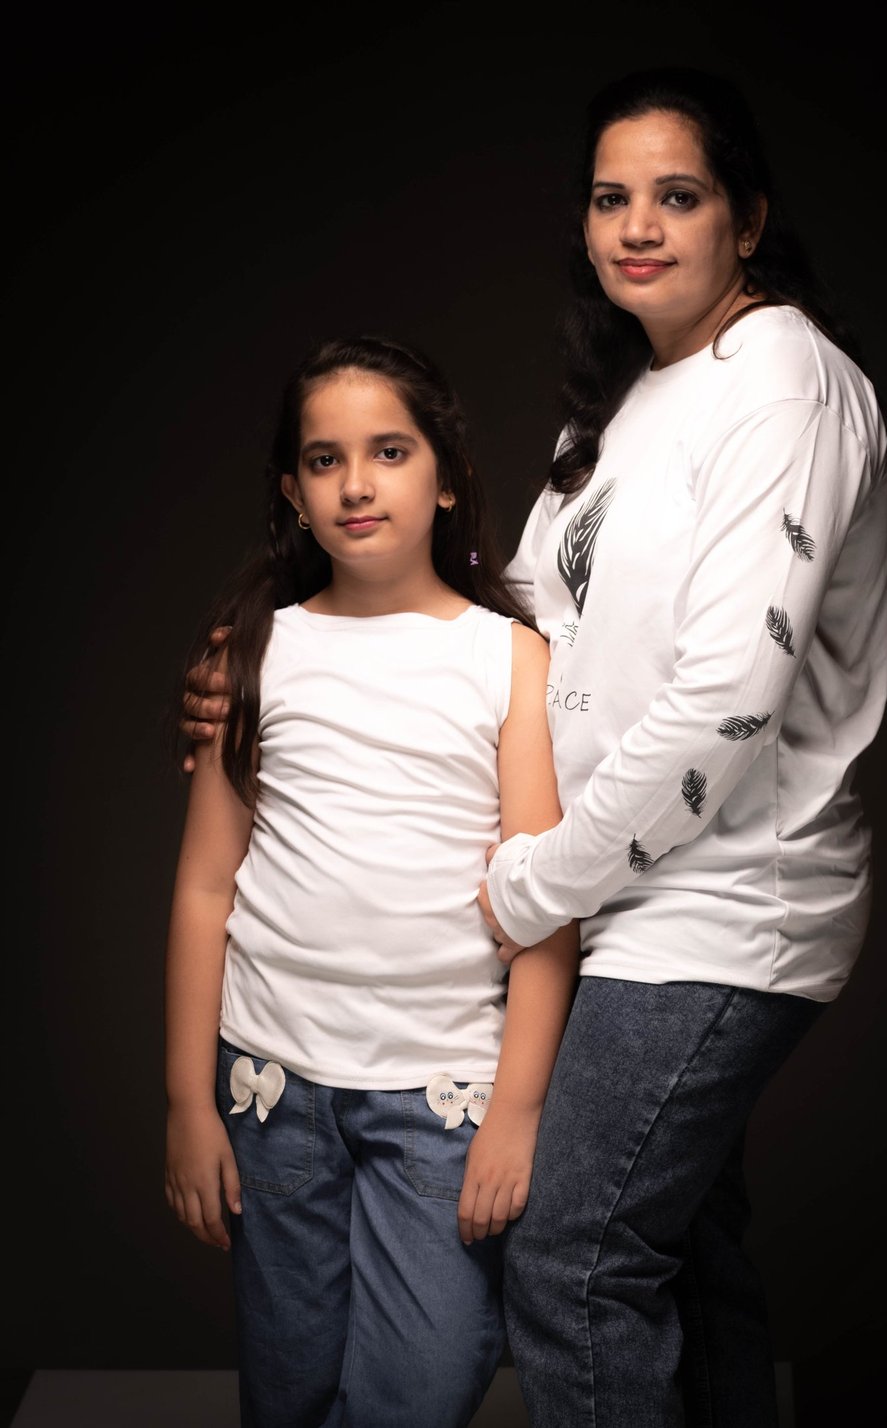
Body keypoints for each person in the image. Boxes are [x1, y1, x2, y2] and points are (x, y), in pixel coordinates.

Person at [181, 67, 887, 1428]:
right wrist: (258, 654)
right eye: (610, 197)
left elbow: (729, 697)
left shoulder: (785, 378)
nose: (638, 225)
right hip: (621, 901)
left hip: (718, 909)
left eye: (676, 196)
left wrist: (531, 886)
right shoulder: (621, 403)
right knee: (686, 1259)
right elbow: (513, 628)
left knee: (569, 1261)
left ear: (746, 217)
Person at [163, 334, 579, 1428]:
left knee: (419, 1380)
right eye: (322, 460)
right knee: (290, 1381)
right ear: (292, 496)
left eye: (389, 451)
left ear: (445, 477)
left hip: (442, 1100)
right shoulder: (253, 652)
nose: (355, 483)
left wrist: (518, 1111)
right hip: (272, 1088)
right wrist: (184, 1103)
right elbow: (207, 887)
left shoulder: (508, 657)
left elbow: (541, 904)